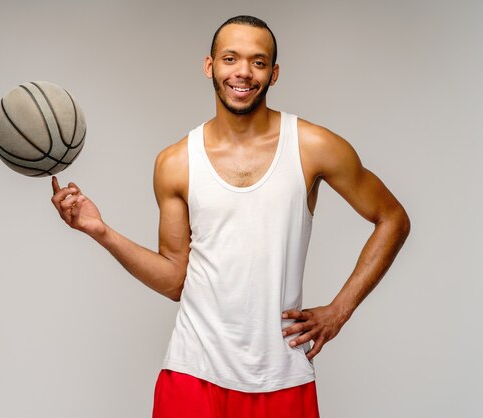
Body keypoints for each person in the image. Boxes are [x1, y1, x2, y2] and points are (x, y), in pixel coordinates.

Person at [51, 15, 410, 418]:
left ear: (273, 74)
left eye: (258, 62)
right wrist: (100, 231)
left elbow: (392, 218)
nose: (243, 72)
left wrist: (339, 311)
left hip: (281, 375)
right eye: (230, 59)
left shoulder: (313, 146)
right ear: (210, 67)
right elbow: (174, 279)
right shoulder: (176, 162)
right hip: (192, 372)